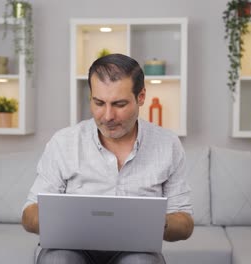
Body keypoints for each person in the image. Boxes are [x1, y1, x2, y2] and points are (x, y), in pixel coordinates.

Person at [22, 53, 194, 264]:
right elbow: (29, 215)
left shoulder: (168, 145)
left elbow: (185, 223)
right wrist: (66, 219)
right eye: (99, 103)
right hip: (71, 248)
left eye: (119, 104)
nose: (107, 116)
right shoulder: (64, 142)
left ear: (141, 97)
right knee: (57, 259)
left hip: (135, 250)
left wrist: (154, 222)